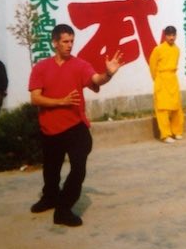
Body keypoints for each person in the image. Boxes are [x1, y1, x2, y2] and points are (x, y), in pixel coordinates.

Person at [28, 24, 124, 227]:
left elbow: (95, 79)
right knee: (51, 169)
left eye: (72, 41)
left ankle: (63, 209)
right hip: (50, 128)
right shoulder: (41, 67)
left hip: (75, 127)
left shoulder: (80, 65)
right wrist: (60, 102)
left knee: (78, 168)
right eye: (65, 41)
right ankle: (50, 197)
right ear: (54, 43)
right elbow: (35, 98)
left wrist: (108, 74)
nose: (69, 45)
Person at [149, 26, 184, 143]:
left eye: (173, 35)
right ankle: (165, 134)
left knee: (176, 107)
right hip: (161, 79)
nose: (171, 37)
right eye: (169, 35)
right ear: (165, 36)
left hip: (172, 78)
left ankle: (177, 131)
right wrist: (157, 79)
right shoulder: (158, 49)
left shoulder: (177, 49)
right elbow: (152, 66)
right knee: (162, 109)